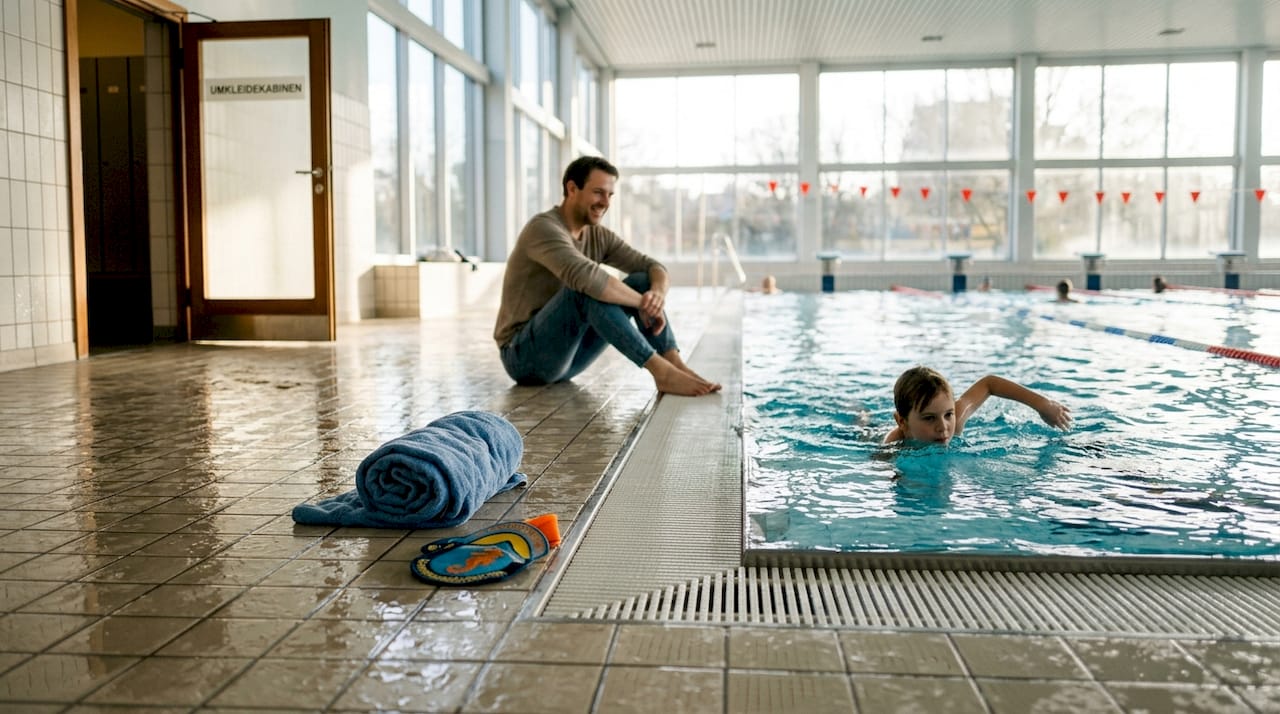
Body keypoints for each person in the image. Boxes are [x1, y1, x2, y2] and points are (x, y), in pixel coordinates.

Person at [493, 156, 721, 397]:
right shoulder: (543, 229)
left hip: (569, 359)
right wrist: (642, 303)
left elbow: (653, 266)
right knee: (583, 291)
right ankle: (660, 372)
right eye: (598, 193)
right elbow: (588, 278)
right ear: (572, 188)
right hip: (523, 357)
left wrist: (656, 296)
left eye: (610, 195)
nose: (605, 202)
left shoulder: (598, 235)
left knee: (642, 281)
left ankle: (674, 363)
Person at [883, 366, 1072, 445]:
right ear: (902, 422)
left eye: (948, 414)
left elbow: (989, 383)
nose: (943, 427)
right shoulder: (894, 444)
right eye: (929, 418)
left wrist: (1042, 404)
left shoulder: (953, 423)